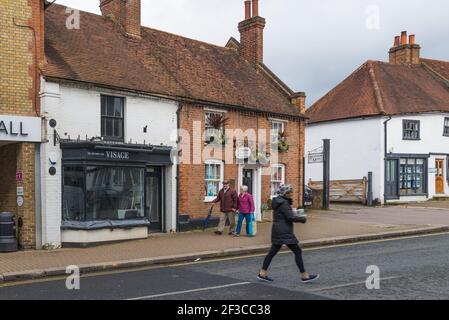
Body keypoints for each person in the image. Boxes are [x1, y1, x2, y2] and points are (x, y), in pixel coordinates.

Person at [257, 184, 319, 283]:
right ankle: (304, 275)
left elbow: (285, 215)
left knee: (272, 252)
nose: (292, 194)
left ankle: (262, 273)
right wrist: (302, 219)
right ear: (285, 193)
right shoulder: (284, 203)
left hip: (278, 229)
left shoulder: (278, 201)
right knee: (297, 251)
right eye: (290, 192)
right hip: (284, 231)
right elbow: (290, 217)